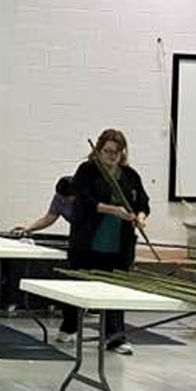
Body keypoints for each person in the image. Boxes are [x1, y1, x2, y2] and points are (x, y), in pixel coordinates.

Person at [69, 129, 150, 356]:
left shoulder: (130, 175)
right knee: (78, 284)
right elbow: (84, 200)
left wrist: (140, 217)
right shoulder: (87, 171)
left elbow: (143, 202)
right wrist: (113, 210)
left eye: (117, 152)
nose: (112, 156)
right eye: (108, 151)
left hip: (119, 243)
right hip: (89, 240)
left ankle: (115, 338)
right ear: (98, 150)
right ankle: (69, 326)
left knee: (116, 289)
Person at [11, 173, 79, 340]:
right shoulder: (59, 198)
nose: (65, 201)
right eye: (62, 198)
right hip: (76, 238)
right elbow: (49, 218)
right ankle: (69, 328)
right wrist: (29, 229)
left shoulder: (84, 200)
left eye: (68, 198)